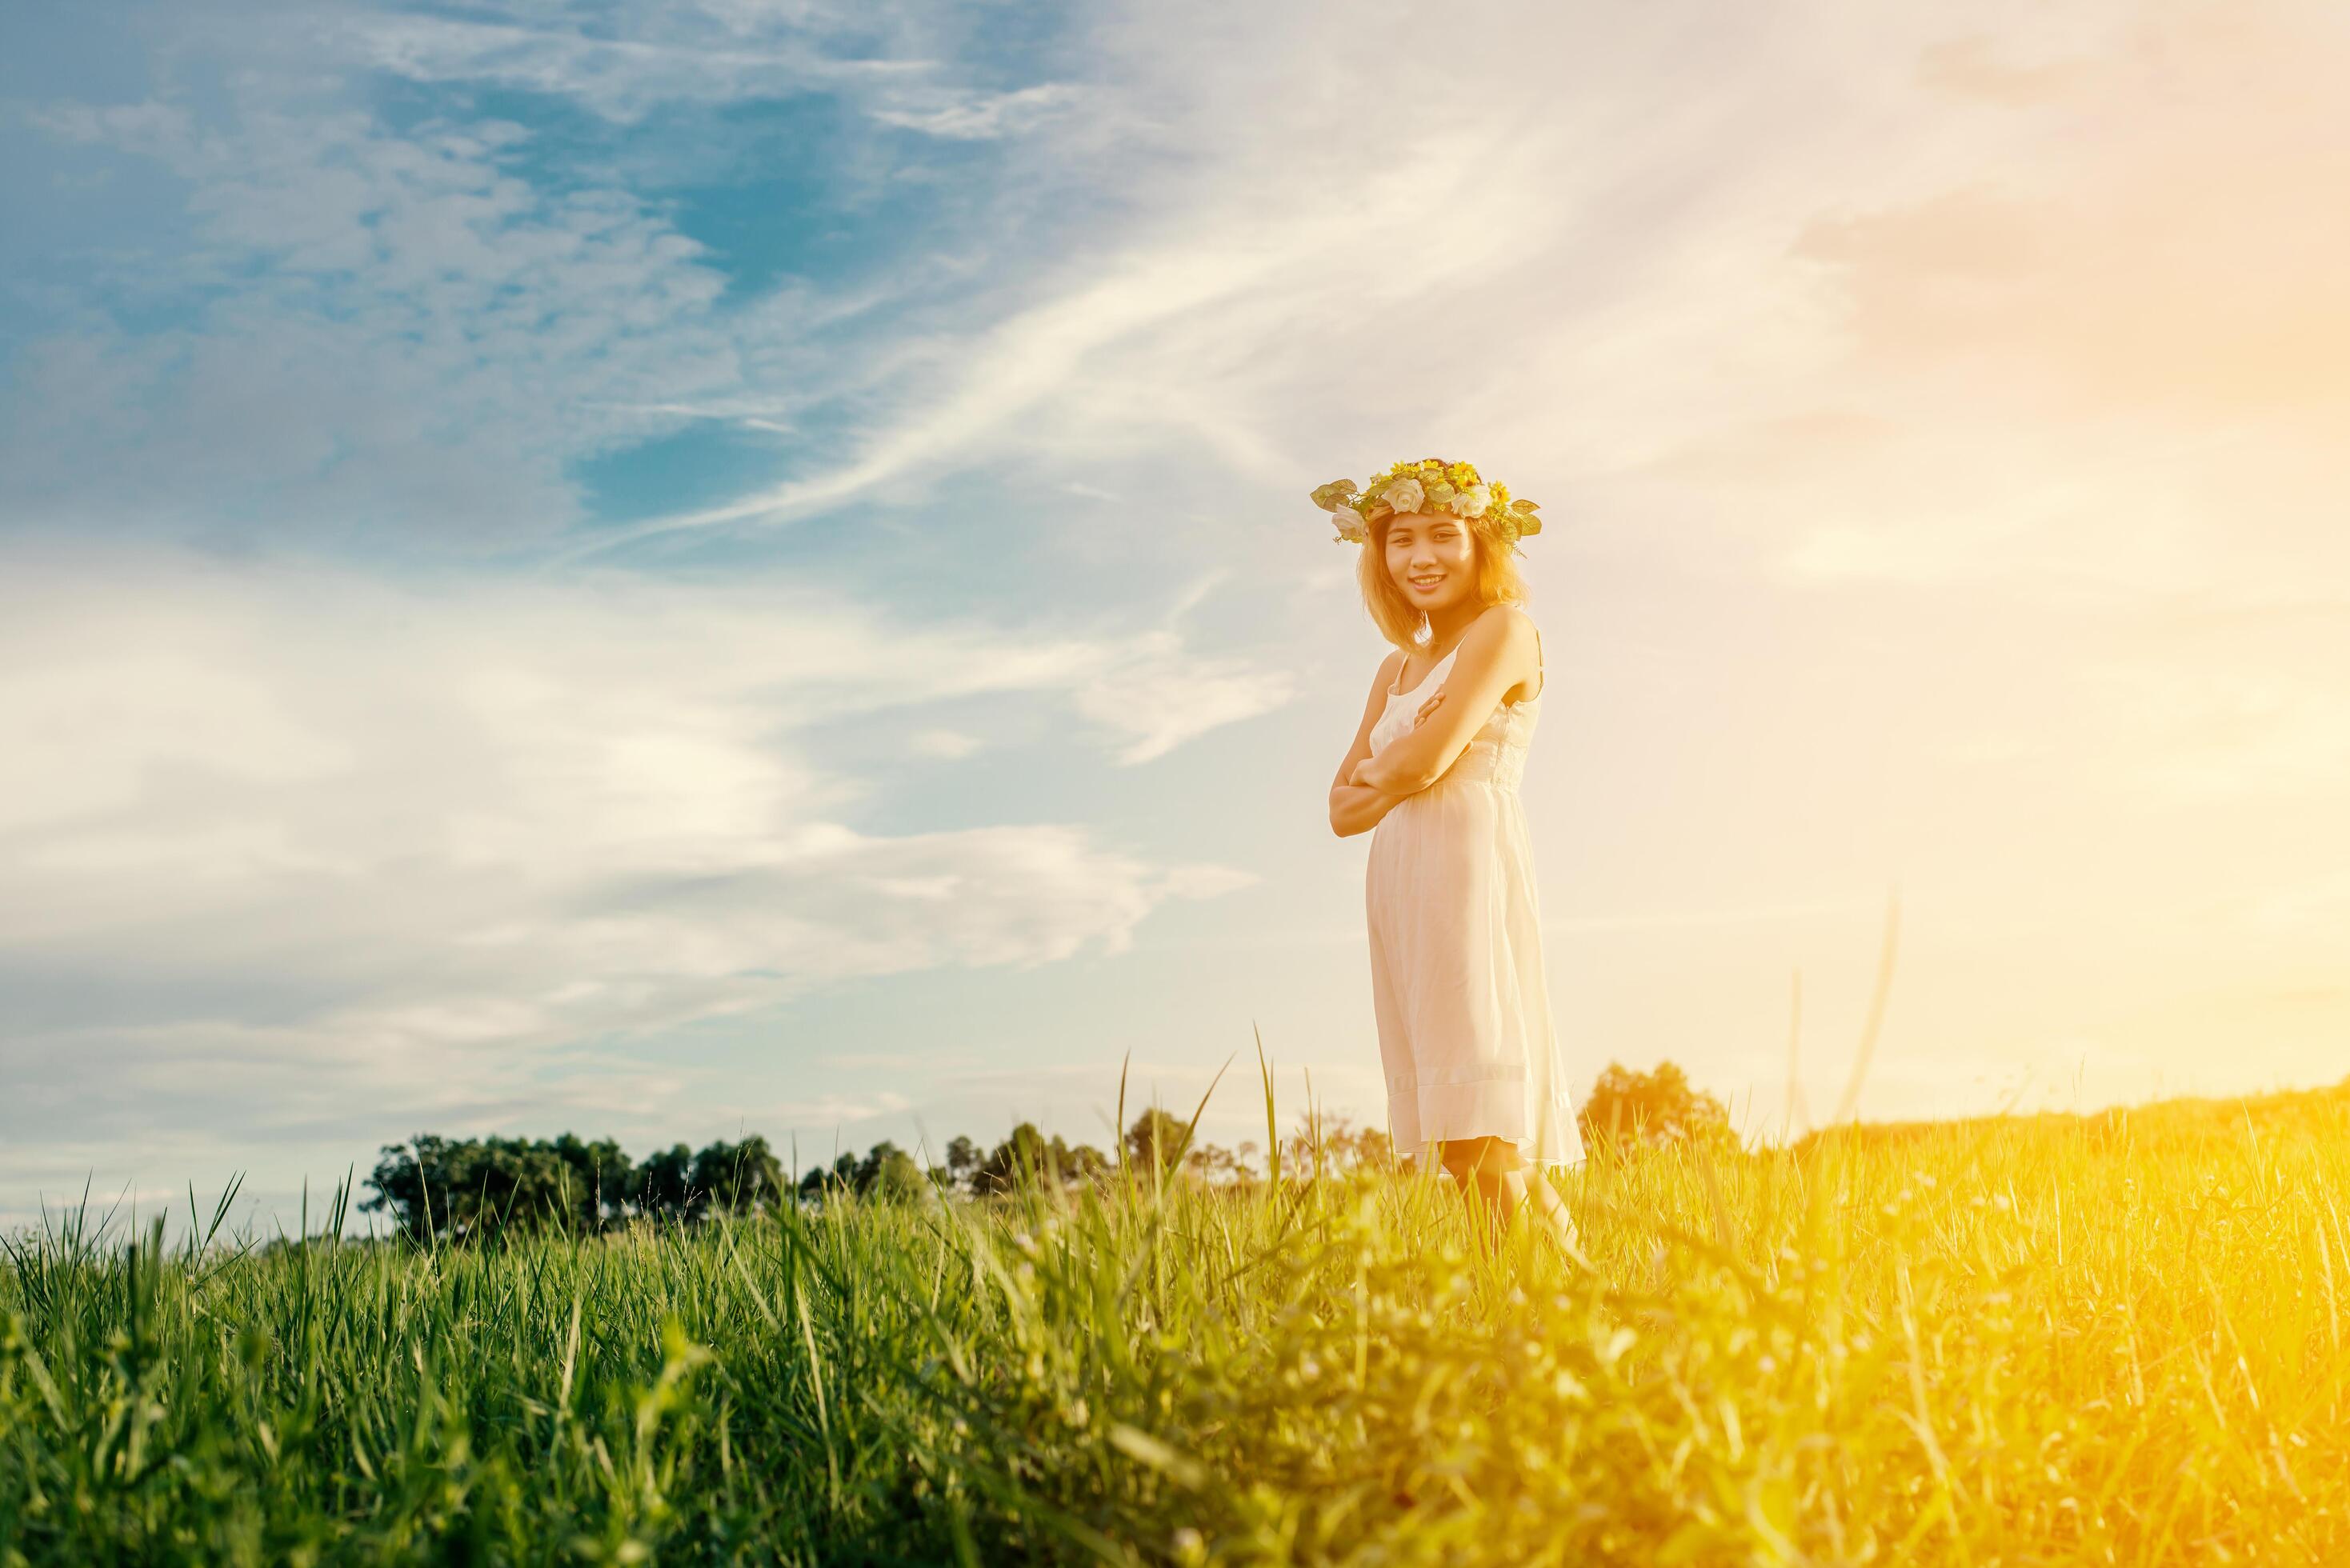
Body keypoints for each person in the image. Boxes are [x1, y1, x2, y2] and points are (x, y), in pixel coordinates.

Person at [1318, 459, 1584, 1258]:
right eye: (1402, 540)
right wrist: (1402, 761)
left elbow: (1420, 767)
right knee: (1455, 1135)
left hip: (1466, 869)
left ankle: (1580, 1301)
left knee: (1483, 1117)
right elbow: (1340, 810)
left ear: (1482, 543)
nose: (1420, 556)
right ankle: (1524, 1306)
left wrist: (1397, 765)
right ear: (1380, 556)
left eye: (1443, 535)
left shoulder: (1504, 630)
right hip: (1401, 881)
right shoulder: (1396, 669)